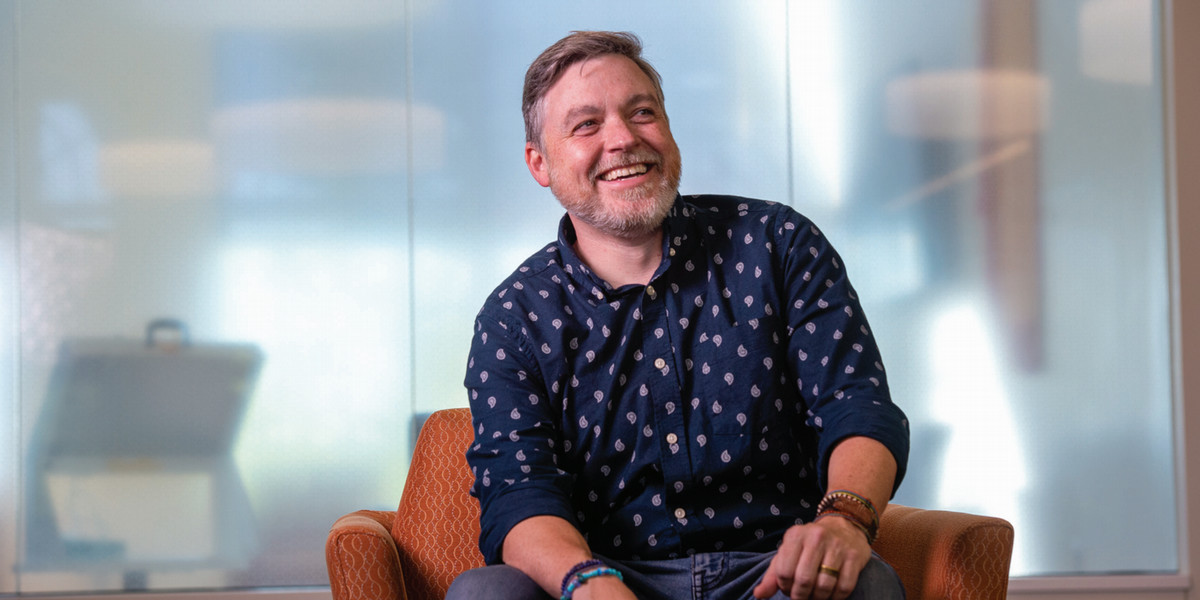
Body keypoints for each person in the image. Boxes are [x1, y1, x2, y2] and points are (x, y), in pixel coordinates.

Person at [448, 31, 909, 600]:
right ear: (539, 163)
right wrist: (588, 583)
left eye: (642, 113)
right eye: (586, 125)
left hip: (774, 572)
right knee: (485, 593)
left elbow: (856, 405)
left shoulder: (779, 244)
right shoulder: (512, 317)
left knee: (862, 583)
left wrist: (842, 521)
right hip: (606, 576)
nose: (622, 138)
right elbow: (518, 494)